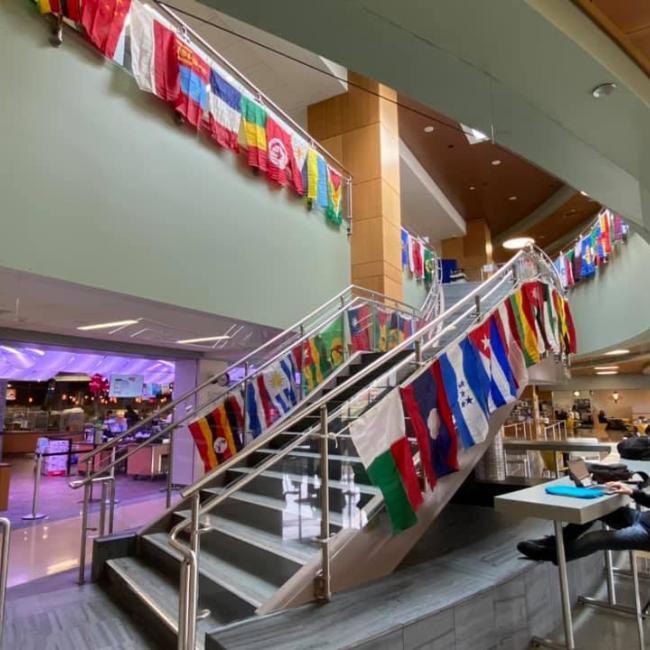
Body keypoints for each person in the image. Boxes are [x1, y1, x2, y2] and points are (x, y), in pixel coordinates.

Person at [518, 482, 650, 563]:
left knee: (594, 540)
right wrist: (632, 492)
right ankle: (558, 541)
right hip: (642, 518)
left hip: (646, 534)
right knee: (598, 509)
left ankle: (548, 555)